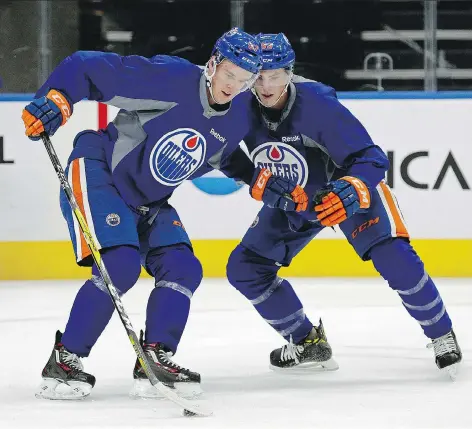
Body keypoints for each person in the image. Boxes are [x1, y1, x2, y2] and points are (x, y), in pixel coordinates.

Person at [22, 28, 308, 400]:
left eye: (245, 80)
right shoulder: (170, 78)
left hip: (150, 202)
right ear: (213, 65)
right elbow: (86, 68)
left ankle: (155, 357)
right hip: (99, 171)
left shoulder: (239, 113)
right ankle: (65, 360)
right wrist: (57, 98)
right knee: (120, 266)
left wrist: (259, 181)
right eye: (230, 75)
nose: (234, 86)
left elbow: (220, 153)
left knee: (184, 268)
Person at [224, 33, 461, 376]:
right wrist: (254, 178)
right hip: (296, 199)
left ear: (289, 73)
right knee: (245, 267)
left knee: (395, 259)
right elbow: (219, 150)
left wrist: (352, 186)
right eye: (257, 76)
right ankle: (308, 343)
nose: (264, 85)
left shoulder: (317, 105)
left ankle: (442, 335)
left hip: (346, 192)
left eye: (273, 75)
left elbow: (371, 157)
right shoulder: (238, 104)